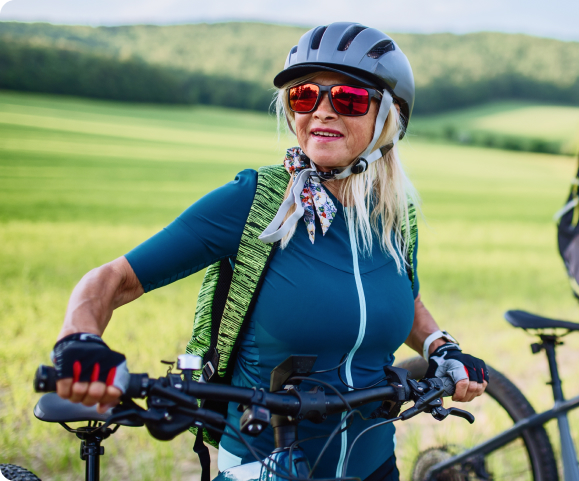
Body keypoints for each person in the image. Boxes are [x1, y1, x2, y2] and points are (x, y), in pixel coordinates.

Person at [49, 22, 488, 480]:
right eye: (304, 97)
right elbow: (112, 280)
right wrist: (79, 340)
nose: (321, 112)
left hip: (374, 463)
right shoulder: (256, 201)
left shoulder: (394, 217)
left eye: (348, 99)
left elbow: (405, 298)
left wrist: (442, 347)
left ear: (389, 118)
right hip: (267, 465)